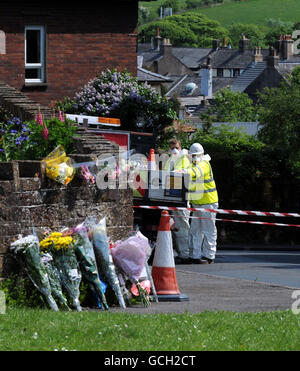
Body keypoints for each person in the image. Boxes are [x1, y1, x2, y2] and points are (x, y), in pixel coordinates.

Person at [185, 143, 219, 264]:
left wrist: (183, 171)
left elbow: (195, 173)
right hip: (198, 203)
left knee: (208, 230)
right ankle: (195, 255)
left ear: (201, 154)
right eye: (192, 155)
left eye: (195, 155)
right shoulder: (194, 165)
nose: (193, 157)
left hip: (208, 203)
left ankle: (209, 256)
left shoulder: (204, 164)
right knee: (195, 230)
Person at [164, 139, 191, 264]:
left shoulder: (184, 158)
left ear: (180, 147)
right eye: (171, 147)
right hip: (172, 198)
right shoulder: (170, 160)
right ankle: (181, 253)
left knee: (183, 227)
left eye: (176, 147)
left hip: (182, 198)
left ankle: (185, 254)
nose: (174, 150)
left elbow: (182, 174)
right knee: (177, 228)